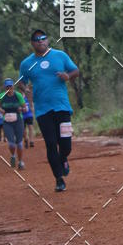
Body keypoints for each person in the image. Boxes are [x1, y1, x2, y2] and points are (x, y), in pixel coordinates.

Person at [19, 30, 80, 192]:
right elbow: (21, 82)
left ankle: (63, 159)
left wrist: (68, 76)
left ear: (47, 40)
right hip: (42, 110)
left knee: (66, 145)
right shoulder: (26, 64)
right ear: (32, 43)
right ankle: (59, 179)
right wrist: (26, 90)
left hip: (62, 106)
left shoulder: (60, 55)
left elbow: (75, 71)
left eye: (43, 38)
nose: (40, 41)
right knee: (51, 144)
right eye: (36, 39)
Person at [0, 78, 26, 169]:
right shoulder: (1, 96)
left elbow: (25, 108)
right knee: (11, 143)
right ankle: (13, 155)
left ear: (13, 86)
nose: (9, 88)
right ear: (5, 88)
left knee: (20, 143)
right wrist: (1, 110)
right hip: (7, 122)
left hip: (18, 121)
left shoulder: (18, 95)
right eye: (7, 87)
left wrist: (21, 109)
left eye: (11, 86)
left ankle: (21, 162)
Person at [17, 83, 35, 148]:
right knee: (23, 130)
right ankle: (26, 139)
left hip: (29, 114)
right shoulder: (18, 97)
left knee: (30, 127)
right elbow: (17, 107)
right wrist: (21, 109)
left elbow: (32, 103)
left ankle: (31, 141)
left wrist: (32, 109)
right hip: (22, 115)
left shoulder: (28, 95)